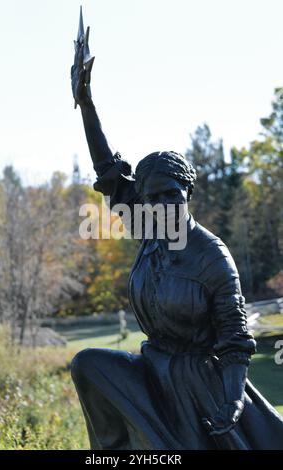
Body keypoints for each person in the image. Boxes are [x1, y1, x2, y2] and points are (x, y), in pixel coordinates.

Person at [70, 23, 283, 450]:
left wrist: (233, 400)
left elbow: (237, 342)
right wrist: (86, 103)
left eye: (173, 195)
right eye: (155, 197)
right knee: (88, 363)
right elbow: (110, 173)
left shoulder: (211, 257)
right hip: (154, 366)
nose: (164, 204)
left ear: (188, 193)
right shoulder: (149, 230)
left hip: (199, 384)